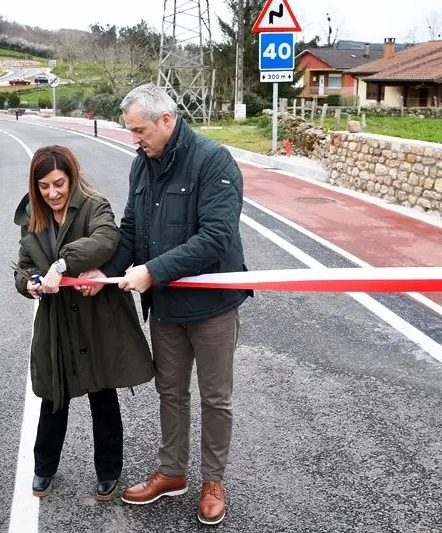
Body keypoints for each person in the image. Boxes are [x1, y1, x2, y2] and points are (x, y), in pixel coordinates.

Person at [79, 84, 252, 525]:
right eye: (131, 131)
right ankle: (173, 471)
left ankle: (213, 480)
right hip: (168, 308)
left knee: (216, 398)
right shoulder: (142, 165)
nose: (134, 139)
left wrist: (152, 271)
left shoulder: (213, 160)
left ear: (167, 121)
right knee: (170, 393)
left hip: (213, 305)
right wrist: (107, 271)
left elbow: (217, 237)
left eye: (139, 130)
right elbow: (133, 229)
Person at [12, 145, 155, 502]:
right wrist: (29, 283)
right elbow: (24, 265)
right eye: (44, 186)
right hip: (56, 319)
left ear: (72, 177)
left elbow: (107, 240)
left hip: (96, 319)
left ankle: (108, 472)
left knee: (102, 394)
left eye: (59, 183)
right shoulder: (32, 214)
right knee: (53, 394)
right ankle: (44, 466)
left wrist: (61, 266)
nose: (53, 193)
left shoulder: (94, 204)